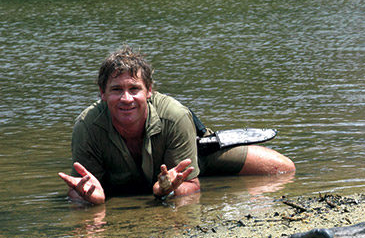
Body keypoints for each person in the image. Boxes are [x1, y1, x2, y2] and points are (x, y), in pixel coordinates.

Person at [58, 45, 295, 205]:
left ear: (149, 91)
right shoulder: (87, 126)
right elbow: (80, 187)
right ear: (102, 93)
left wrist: (169, 191)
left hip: (189, 159)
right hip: (129, 178)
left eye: (134, 89)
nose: (126, 99)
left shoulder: (175, 115)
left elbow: (191, 185)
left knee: (283, 168)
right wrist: (88, 201)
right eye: (116, 90)